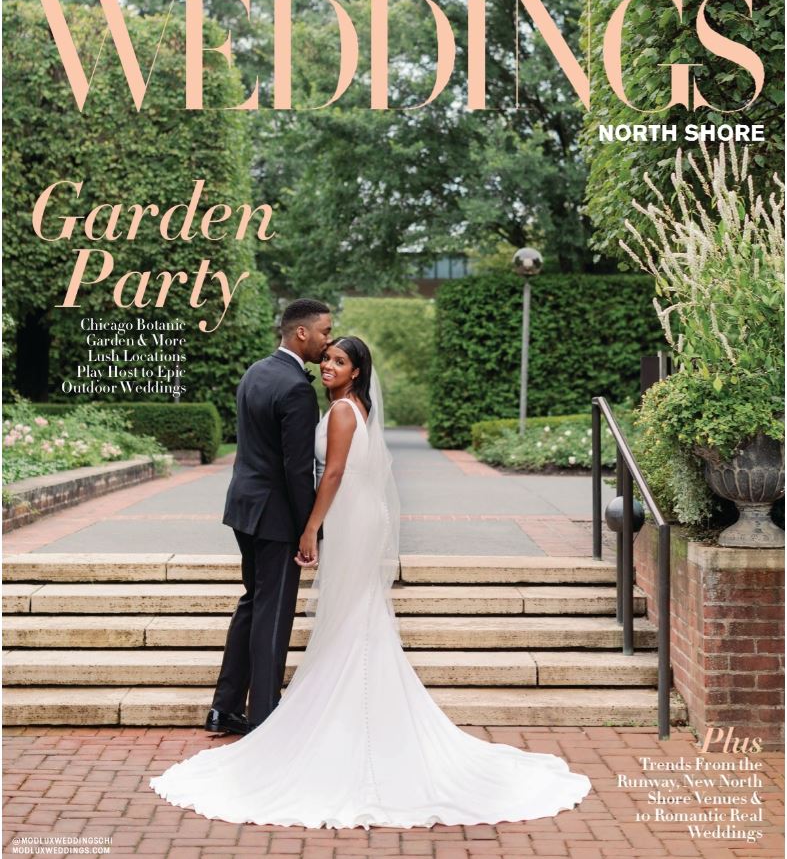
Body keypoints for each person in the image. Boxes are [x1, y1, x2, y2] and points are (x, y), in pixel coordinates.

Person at [151, 336, 592, 827]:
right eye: (327, 359)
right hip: (357, 513)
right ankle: (360, 713)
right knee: (352, 613)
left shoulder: (342, 413)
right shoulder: (349, 407)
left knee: (351, 613)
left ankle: (350, 716)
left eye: (340, 362)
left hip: (348, 514)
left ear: (357, 371)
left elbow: (334, 472)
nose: (328, 366)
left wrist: (310, 527)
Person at [205, 298, 332, 736]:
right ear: (302, 333)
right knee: (273, 613)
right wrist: (308, 529)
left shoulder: (256, 371)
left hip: (243, 508)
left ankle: (224, 708)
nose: (327, 340)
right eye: (324, 332)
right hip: (277, 517)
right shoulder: (297, 388)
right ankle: (264, 714)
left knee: (252, 604)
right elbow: (297, 470)